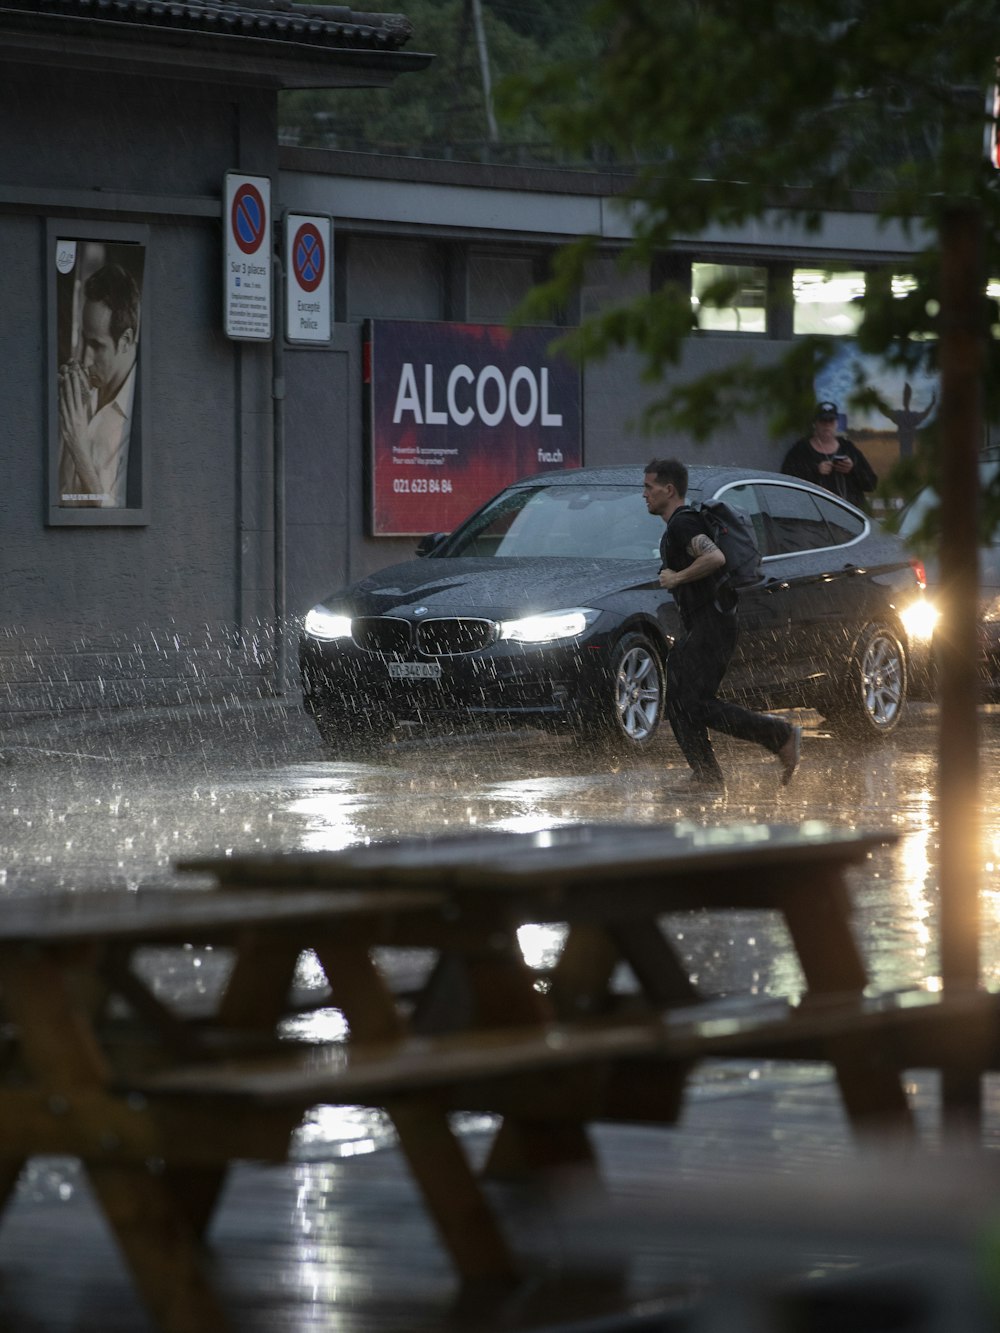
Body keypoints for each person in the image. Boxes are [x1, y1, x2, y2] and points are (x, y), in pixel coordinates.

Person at [643, 457, 801, 794]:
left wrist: (676, 577)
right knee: (683, 701)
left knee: (692, 702)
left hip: (711, 624)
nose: (644, 494)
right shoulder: (681, 524)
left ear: (668, 490)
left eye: (649, 487)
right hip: (708, 623)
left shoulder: (682, 525)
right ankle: (707, 774)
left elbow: (715, 558)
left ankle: (777, 736)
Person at [58, 262, 141, 508]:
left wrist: (78, 446)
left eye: (96, 345)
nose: (84, 357)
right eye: (84, 341)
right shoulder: (79, 393)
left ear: (125, 340)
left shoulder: (142, 418)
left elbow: (120, 530)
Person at [780, 400, 877, 509]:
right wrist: (815, 471)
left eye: (831, 420)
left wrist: (853, 469)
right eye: (823, 420)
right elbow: (787, 482)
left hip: (851, 515)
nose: (827, 425)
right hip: (815, 515)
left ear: (836, 423)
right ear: (814, 423)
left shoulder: (848, 448)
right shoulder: (801, 450)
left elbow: (871, 484)